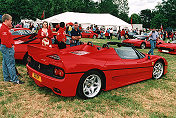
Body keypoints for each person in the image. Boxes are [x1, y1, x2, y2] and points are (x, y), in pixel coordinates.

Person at [0, 14, 24, 84]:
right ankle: (14, 79)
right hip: (7, 48)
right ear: (6, 20)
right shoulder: (4, 29)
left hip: (5, 47)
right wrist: (11, 46)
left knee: (5, 63)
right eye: (10, 20)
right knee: (11, 64)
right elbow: (5, 41)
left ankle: (6, 78)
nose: (11, 22)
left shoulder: (5, 28)